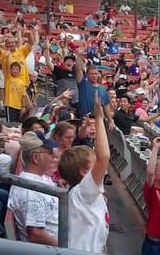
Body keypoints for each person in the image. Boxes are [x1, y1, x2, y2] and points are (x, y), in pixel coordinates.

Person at [58, 92, 110, 252]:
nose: (99, 167)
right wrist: (100, 118)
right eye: (94, 163)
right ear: (84, 172)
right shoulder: (83, 192)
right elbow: (104, 156)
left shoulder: (82, 193)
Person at [8, 131, 59, 245]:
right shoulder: (33, 191)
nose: (54, 156)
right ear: (36, 158)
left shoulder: (32, 180)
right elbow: (35, 234)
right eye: (50, 153)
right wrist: (67, 247)